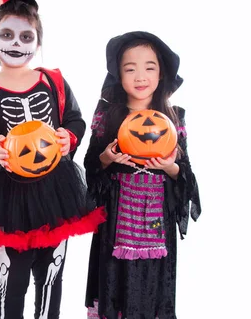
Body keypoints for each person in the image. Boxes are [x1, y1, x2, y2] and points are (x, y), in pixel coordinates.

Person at [0, 0, 106, 319]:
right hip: (10, 194)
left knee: (51, 272)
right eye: (7, 34)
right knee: (12, 273)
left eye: (26, 37)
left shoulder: (53, 80)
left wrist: (67, 137)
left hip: (56, 190)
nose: (16, 43)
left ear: (37, 42)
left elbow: (75, 119)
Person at [83, 31, 202, 319]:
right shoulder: (107, 115)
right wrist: (107, 158)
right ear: (118, 75)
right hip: (116, 219)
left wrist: (169, 167)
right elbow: (90, 165)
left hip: (156, 223)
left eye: (149, 67)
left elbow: (186, 177)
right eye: (130, 68)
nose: (140, 76)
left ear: (161, 74)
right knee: (114, 283)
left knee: (152, 287)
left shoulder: (173, 118)